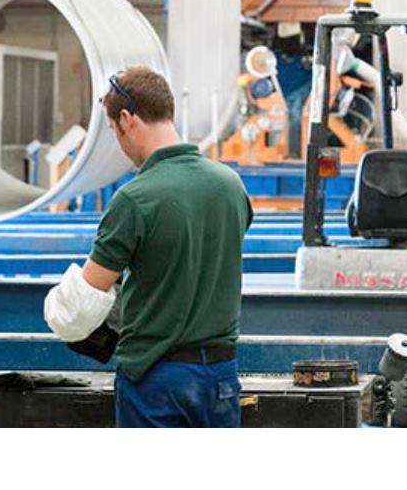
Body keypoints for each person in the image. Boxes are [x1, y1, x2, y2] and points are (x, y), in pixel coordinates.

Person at [43, 65, 253, 428]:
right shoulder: (231, 186)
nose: (120, 145)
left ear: (127, 119)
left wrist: (56, 309)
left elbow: (81, 304)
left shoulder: (136, 199)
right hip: (221, 378)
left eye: (114, 131)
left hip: (157, 380)